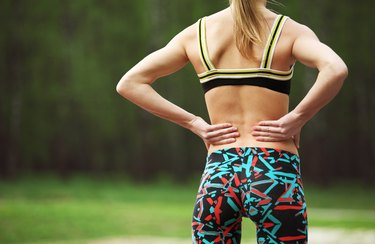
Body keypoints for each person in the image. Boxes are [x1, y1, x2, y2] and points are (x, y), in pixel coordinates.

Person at [116, 0, 348, 243]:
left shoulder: (197, 34)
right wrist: (298, 117)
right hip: (273, 173)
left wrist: (194, 123)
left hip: (219, 175)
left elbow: (130, 83)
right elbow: (335, 68)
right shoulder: (289, 30)